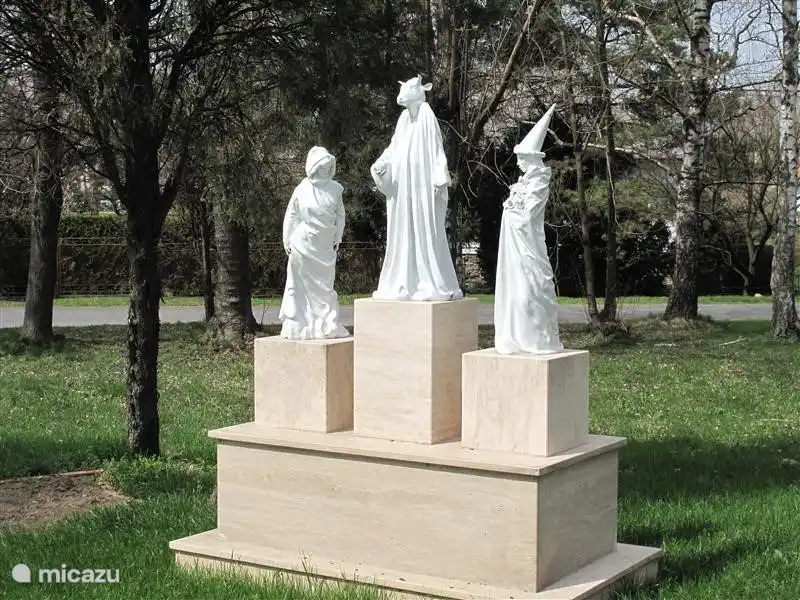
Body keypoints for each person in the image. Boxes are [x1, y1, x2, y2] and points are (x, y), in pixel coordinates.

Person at [370, 75, 462, 301]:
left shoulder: (427, 115)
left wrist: (440, 175)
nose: (401, 95)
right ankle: (404, 282)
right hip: (404, 188)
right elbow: (394, 147)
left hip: (421, 185)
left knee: (424, 229)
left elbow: (435, 146)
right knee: (403, 230)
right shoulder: (403, 119)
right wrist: (382, 163)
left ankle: (426, 282)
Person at [494, 105, 564, 354]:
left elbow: (527, 215)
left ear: (533, 158)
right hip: (516, 248)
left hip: (528, 245)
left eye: (522, 159)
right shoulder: (522, 183)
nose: (518, 163)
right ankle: (518, 336)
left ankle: (535, 338)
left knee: (531, 290)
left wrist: (510, 211)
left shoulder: (538, 182)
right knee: (517, 292)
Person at [279, 146, 350, 339]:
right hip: (303, 245)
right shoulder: (302, 189)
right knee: (300, 284)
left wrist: (339, 236)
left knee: (325, 285)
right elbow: (291, 215)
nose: (325, 170)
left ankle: (325, 323)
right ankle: (299, 324)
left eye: (328, 166)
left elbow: (340, 215)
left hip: (325, 246)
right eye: (322, 166)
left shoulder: (335, 189)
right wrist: (286, 238)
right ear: (314, 167)